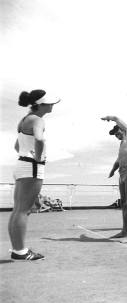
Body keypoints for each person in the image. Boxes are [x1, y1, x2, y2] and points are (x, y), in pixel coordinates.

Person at [9, 89, 60, 261]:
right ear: (41, 105)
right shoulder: (37, 120)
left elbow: (17, 146)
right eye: (50, 103)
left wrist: (29, 155)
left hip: (22, 165)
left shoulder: (25, 120)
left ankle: (18, 249)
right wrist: (38, 157)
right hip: (32, 167)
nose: (53, 105)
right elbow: (39, 139)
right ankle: (21, 252)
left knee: (18, 210)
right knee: (24, 211)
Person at [102, 115, 127, 243]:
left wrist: (111, 118)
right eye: (115, 134)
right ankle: (125, 231)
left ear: (122, 129)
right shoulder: (122, 144)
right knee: (124, 204)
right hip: (122, 172)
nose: (116, 135)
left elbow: (117, 118)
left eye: (117, 131)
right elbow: (119, 159)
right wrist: (113, 170)